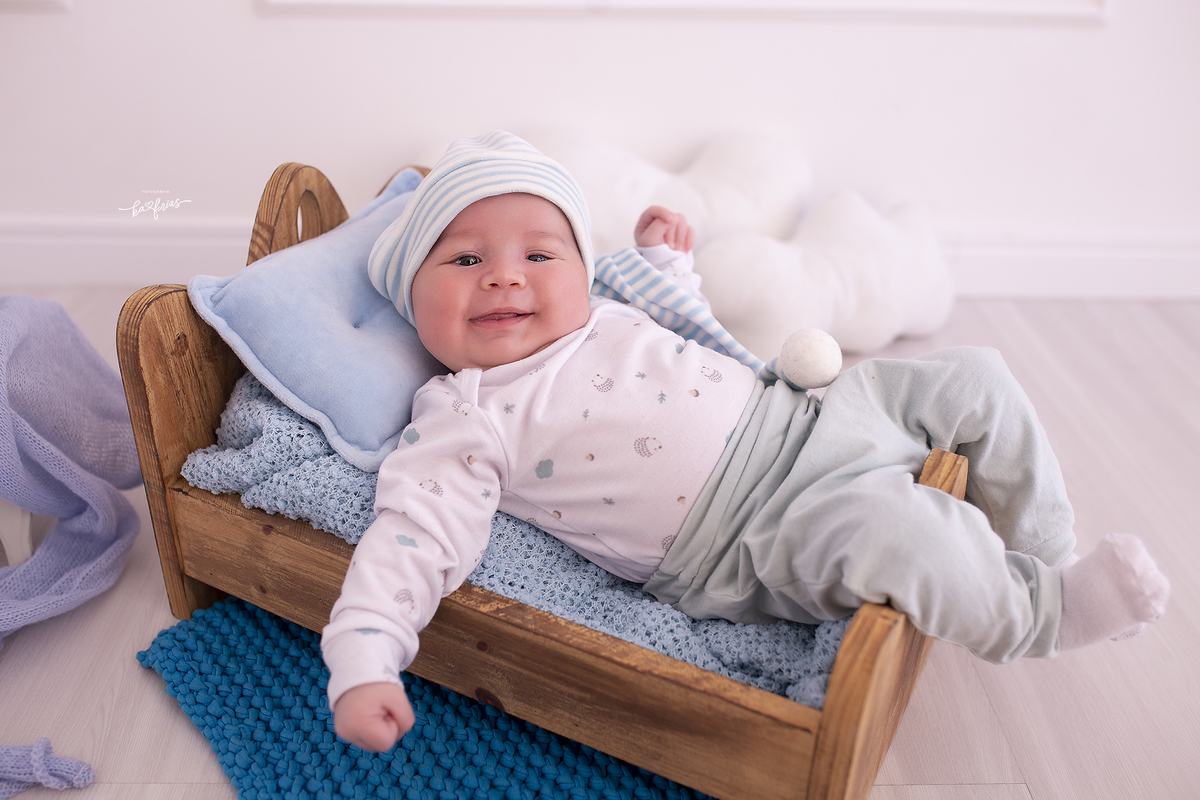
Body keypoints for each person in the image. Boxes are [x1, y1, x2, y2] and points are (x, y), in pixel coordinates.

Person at [322, 131, 1170, 752]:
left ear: (582, 272)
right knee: (904, 531)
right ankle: (1043, 614)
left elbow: (678, 329)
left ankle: (1044, 543)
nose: (505, 274)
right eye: (465, 261)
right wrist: (365, 663)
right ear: (411, 297)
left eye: (540, 254)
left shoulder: (604, 309)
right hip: (756, 530)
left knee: (974, 376)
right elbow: (409, 542)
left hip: (807, 412)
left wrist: (663, 261)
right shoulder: (464, 413)